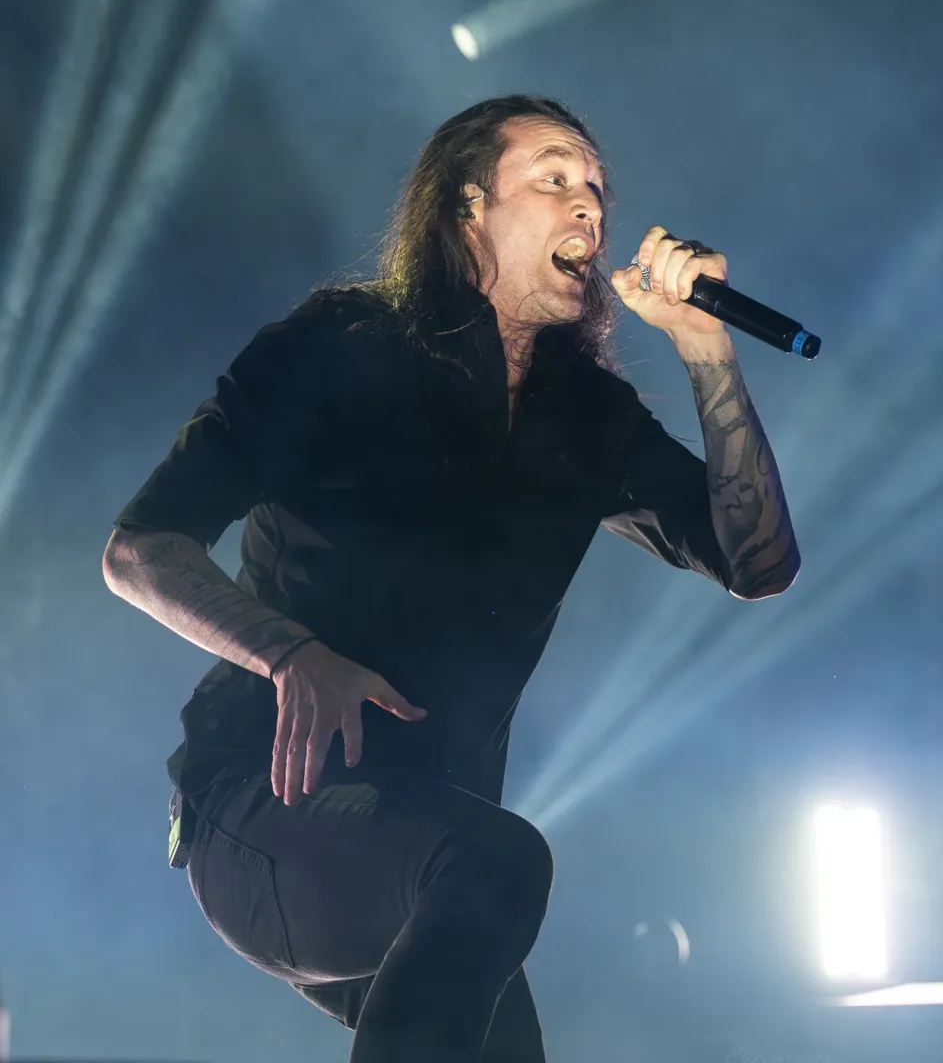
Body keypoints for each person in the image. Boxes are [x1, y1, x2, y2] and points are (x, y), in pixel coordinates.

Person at [102, 95, 801, 1063]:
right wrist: (291, 654)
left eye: (596, 188)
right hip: (267, 807)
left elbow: (759, 564)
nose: (589, 206)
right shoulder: (339, 346)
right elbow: (140, 550)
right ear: (468, 205)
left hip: (428, 853)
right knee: (500, 857)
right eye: (553, 178)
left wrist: (705, 348)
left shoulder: (586, 416)